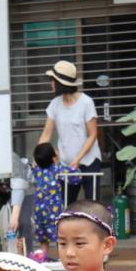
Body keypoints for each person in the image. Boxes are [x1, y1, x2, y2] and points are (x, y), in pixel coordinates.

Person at [37, 60, 101, 204]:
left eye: (53, 80)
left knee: (93, 206)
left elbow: (93, 135)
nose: (51, 84)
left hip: (89, 161)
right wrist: (37, 157)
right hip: (66, 164)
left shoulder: (86, 102)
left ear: (60, 83)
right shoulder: (55, 104)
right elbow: (46, 135)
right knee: (66, 205)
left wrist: (77, 160)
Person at [28, 142, 69, 261]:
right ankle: (62, 258)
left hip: (38, 212)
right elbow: (76, 176)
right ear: (53, 156)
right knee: (59, 236)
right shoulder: (56, 169)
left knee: (43, 239)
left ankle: (42, 258)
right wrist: (59, 159)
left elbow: (32, 164)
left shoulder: (36, 170)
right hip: (53, 212)